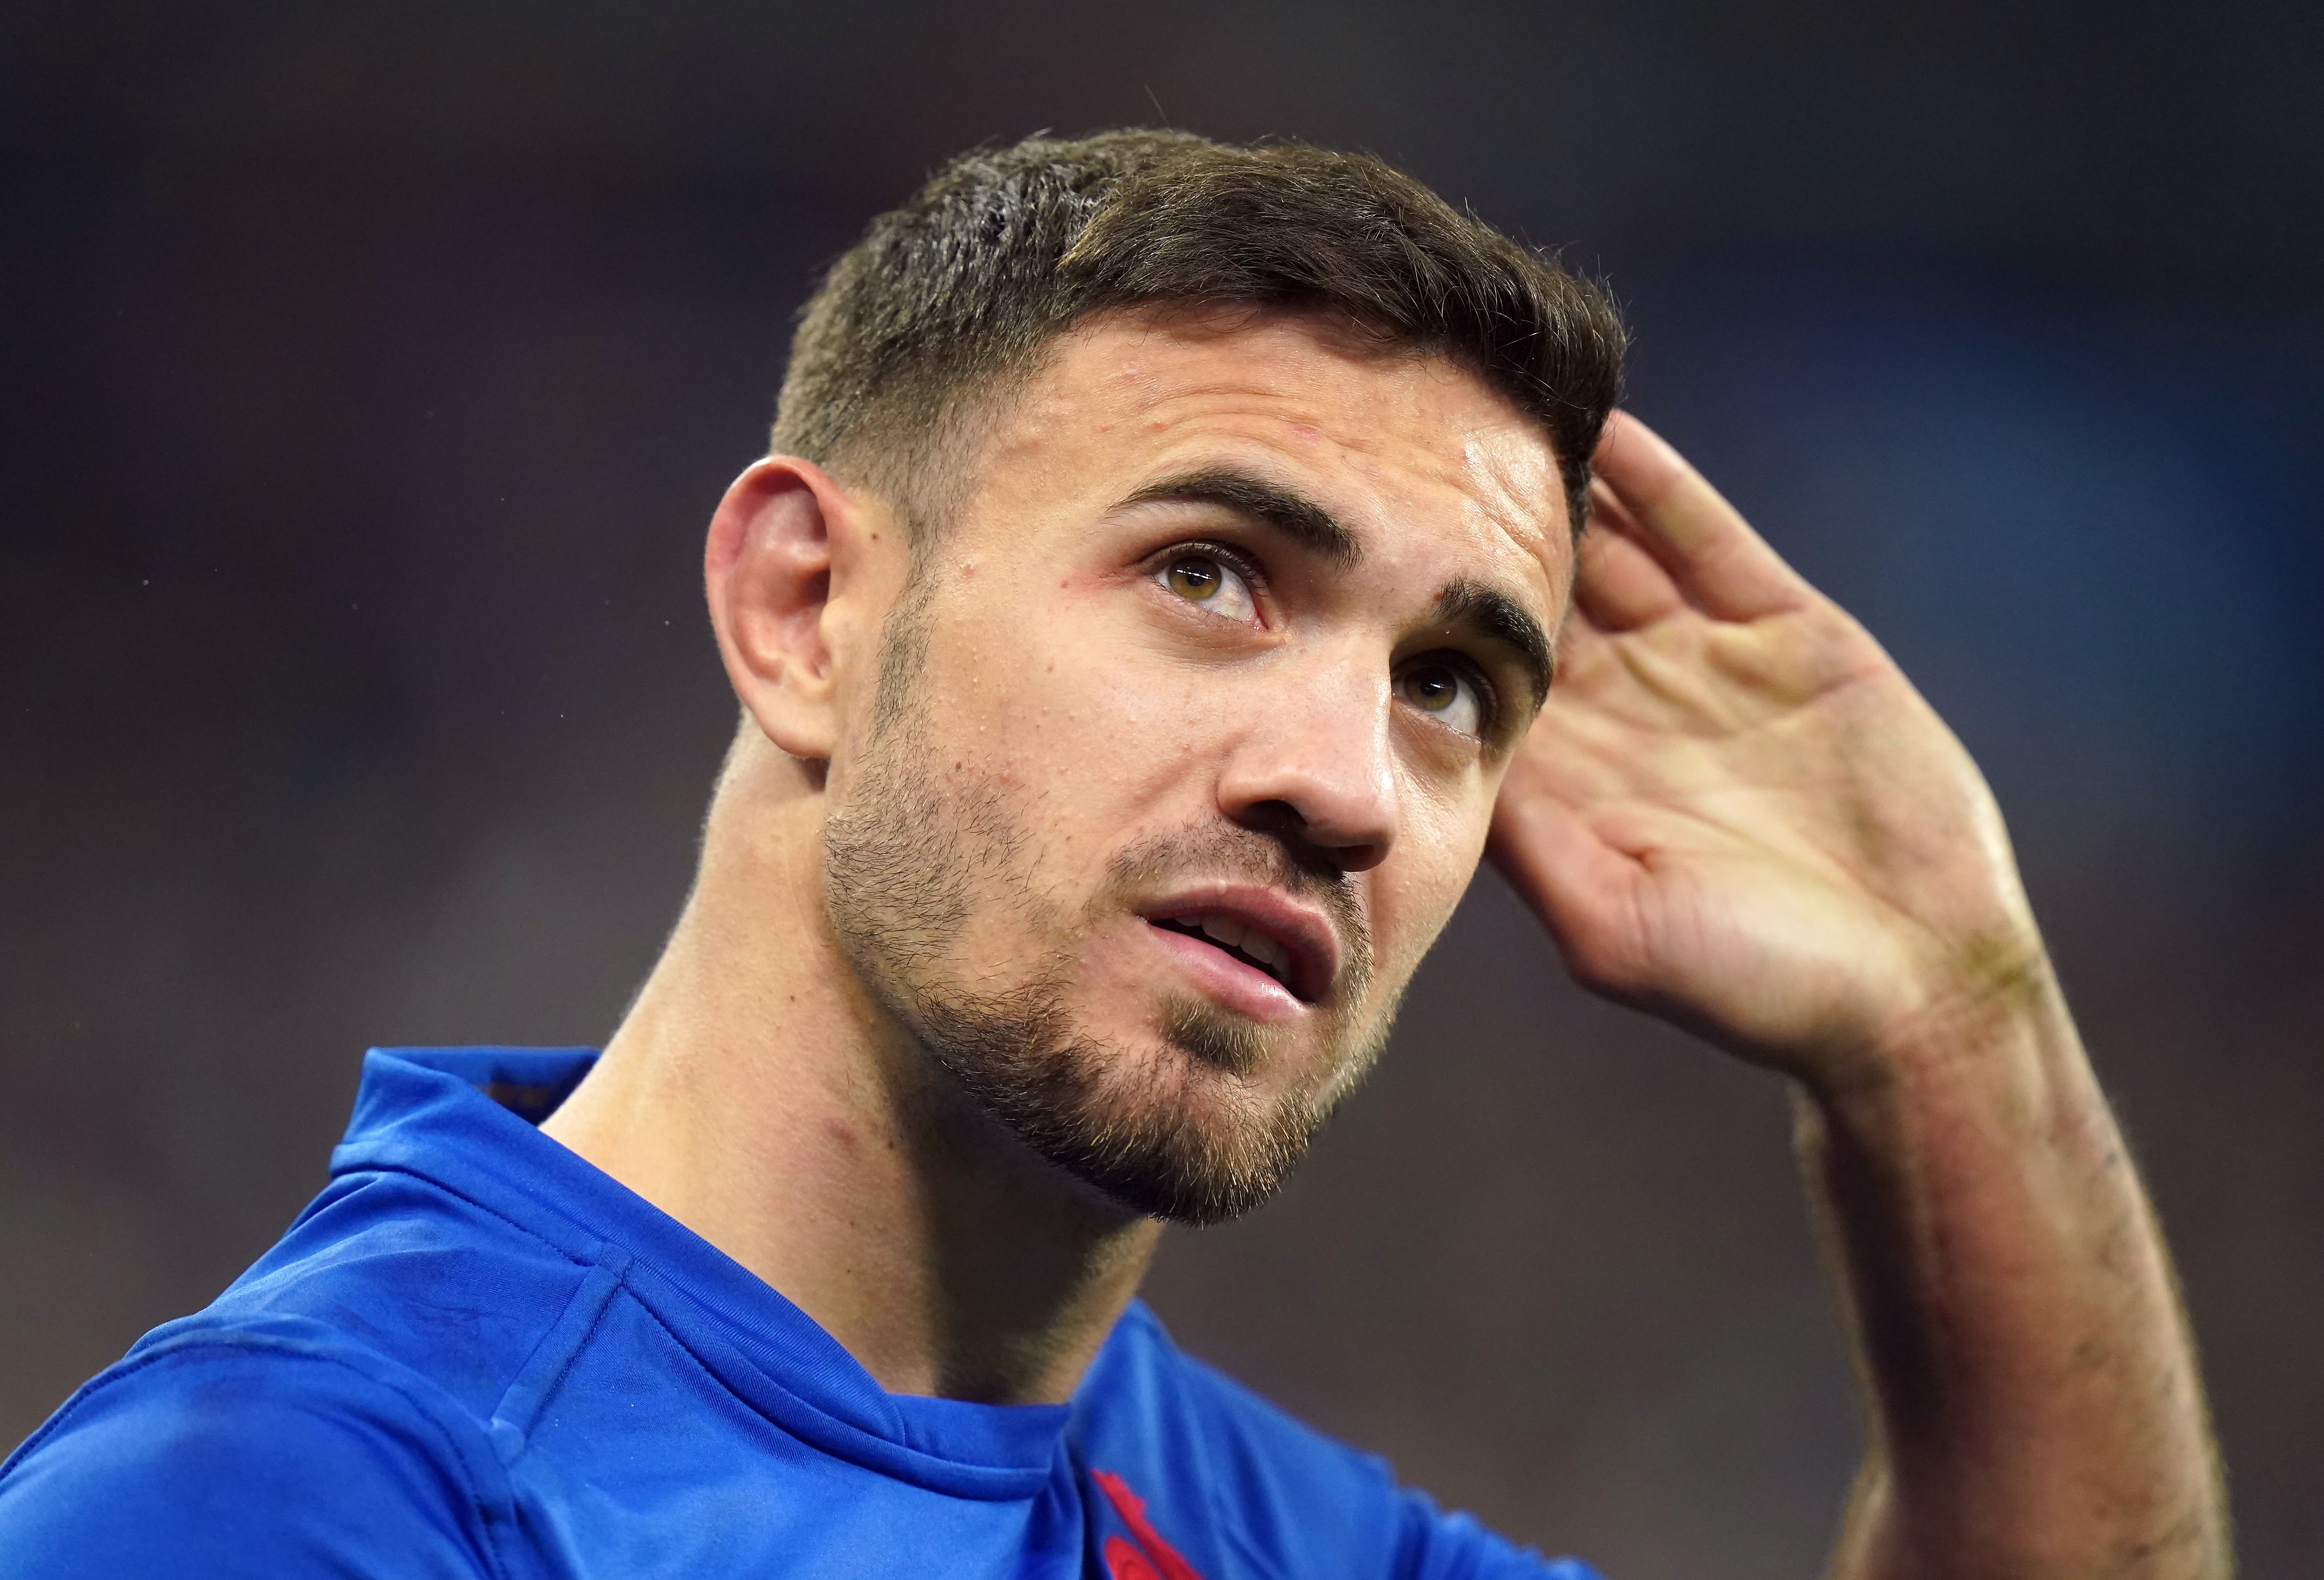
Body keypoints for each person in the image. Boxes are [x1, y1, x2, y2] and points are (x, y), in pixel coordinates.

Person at [0, 129, 2227, 1579]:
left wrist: (1945, 1029)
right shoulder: (308, 1509)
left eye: (1451, 682)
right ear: (807, 613)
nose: (1346, 780)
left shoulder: (1252, 1531)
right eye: (1211, 575)